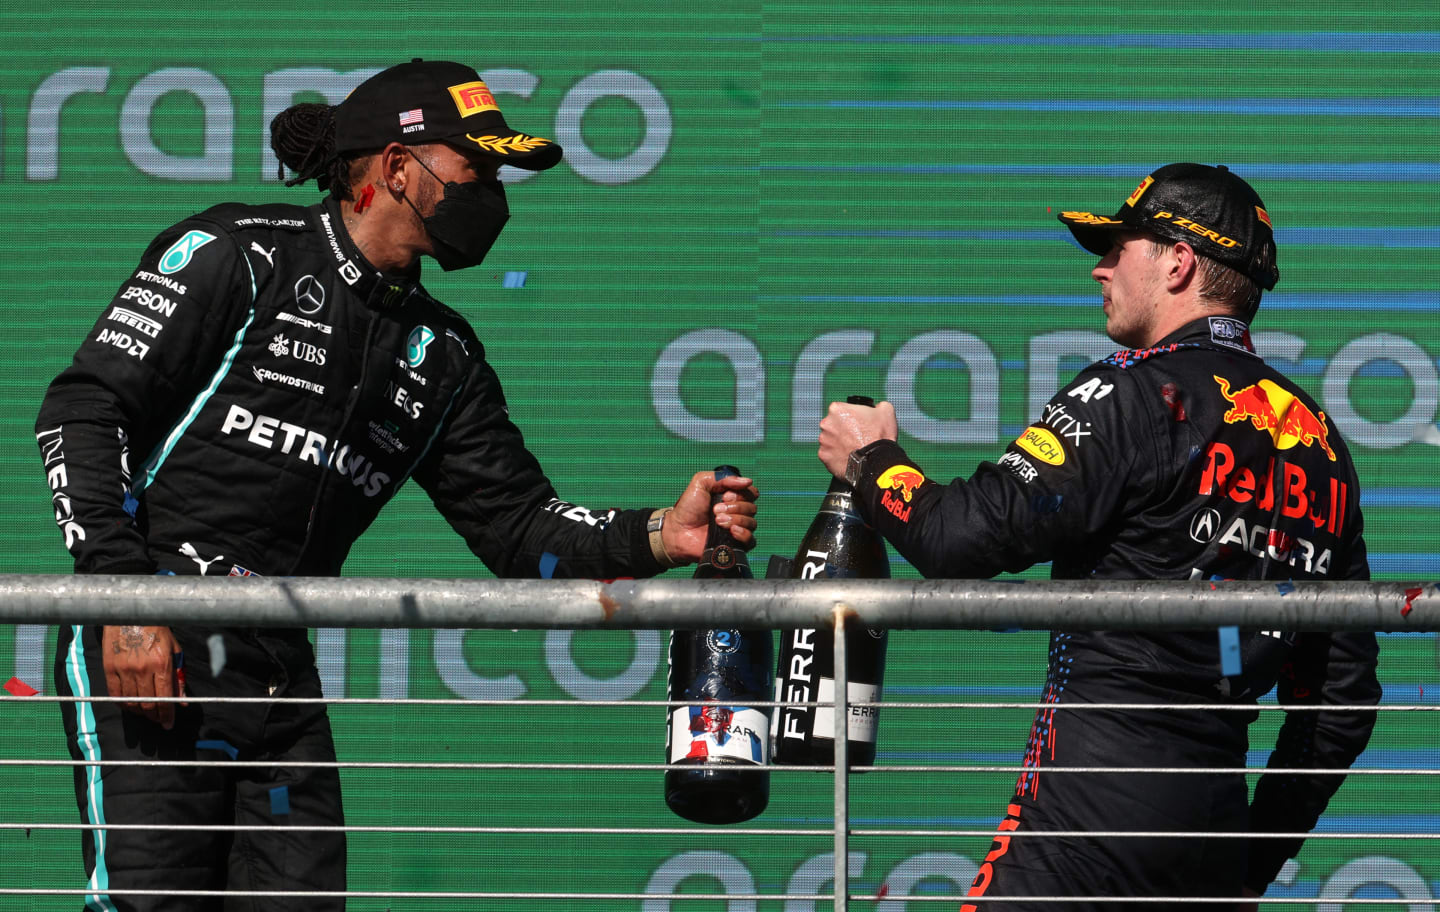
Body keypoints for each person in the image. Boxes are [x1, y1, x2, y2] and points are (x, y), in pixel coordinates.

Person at [35, 58, 757, 911]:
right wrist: (122, 598)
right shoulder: (241, 254)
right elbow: (83, 412)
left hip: (278, 672)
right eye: (477, 170)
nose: (495, 195)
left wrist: (660, 535)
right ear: (397, 168)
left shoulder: (443, 354)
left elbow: (520, 529)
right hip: (155, 644)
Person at [817, 163, 1379, 909]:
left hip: (1090, 811)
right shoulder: (1321, 441)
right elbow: (1340, 701)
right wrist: (1251, 863)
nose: (1100, 265)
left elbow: (960, 538)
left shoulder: (1135, 389)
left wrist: (870, 460)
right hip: (1212, 835)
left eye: (1120, 245)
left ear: (1178, 262)